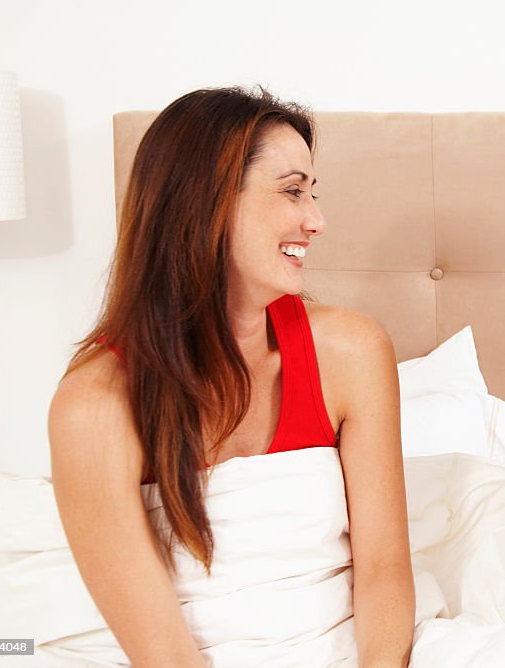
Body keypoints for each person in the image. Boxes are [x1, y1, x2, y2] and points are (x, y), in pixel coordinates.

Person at [48, 87, 414, 666]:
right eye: (293, 191)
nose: (316, 220)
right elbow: (163, 652)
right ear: (207, 202)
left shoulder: (351, 350)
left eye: (312, 194)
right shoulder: (94, 404)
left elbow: (385, 571)